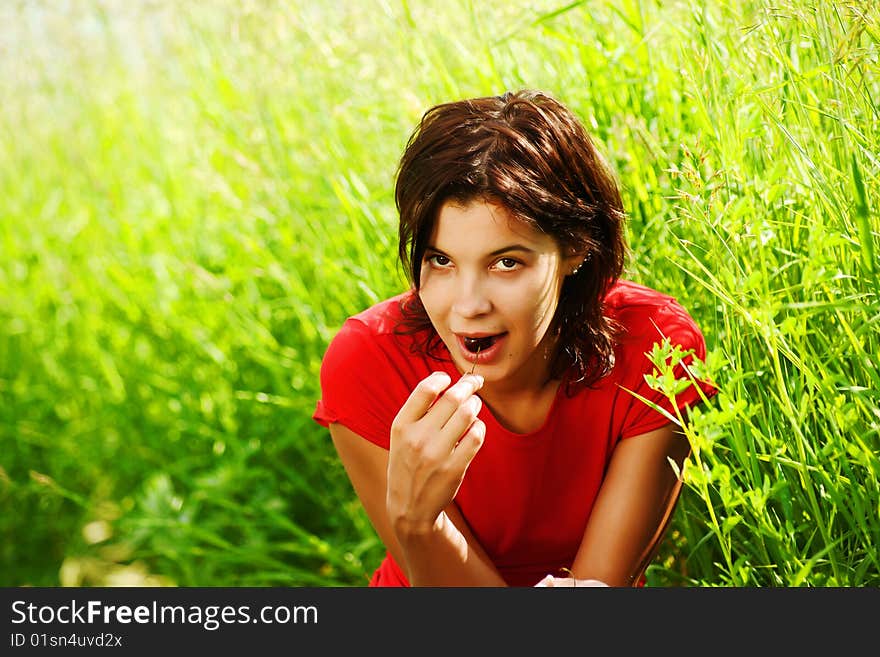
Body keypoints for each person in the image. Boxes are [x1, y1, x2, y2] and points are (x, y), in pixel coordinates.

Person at [312, 90, 717, 587]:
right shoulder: (370, 361)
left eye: (506, 262)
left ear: (575, 246)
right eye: (441, 260)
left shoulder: (655, 347)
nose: (468, 306)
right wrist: (419, 524)